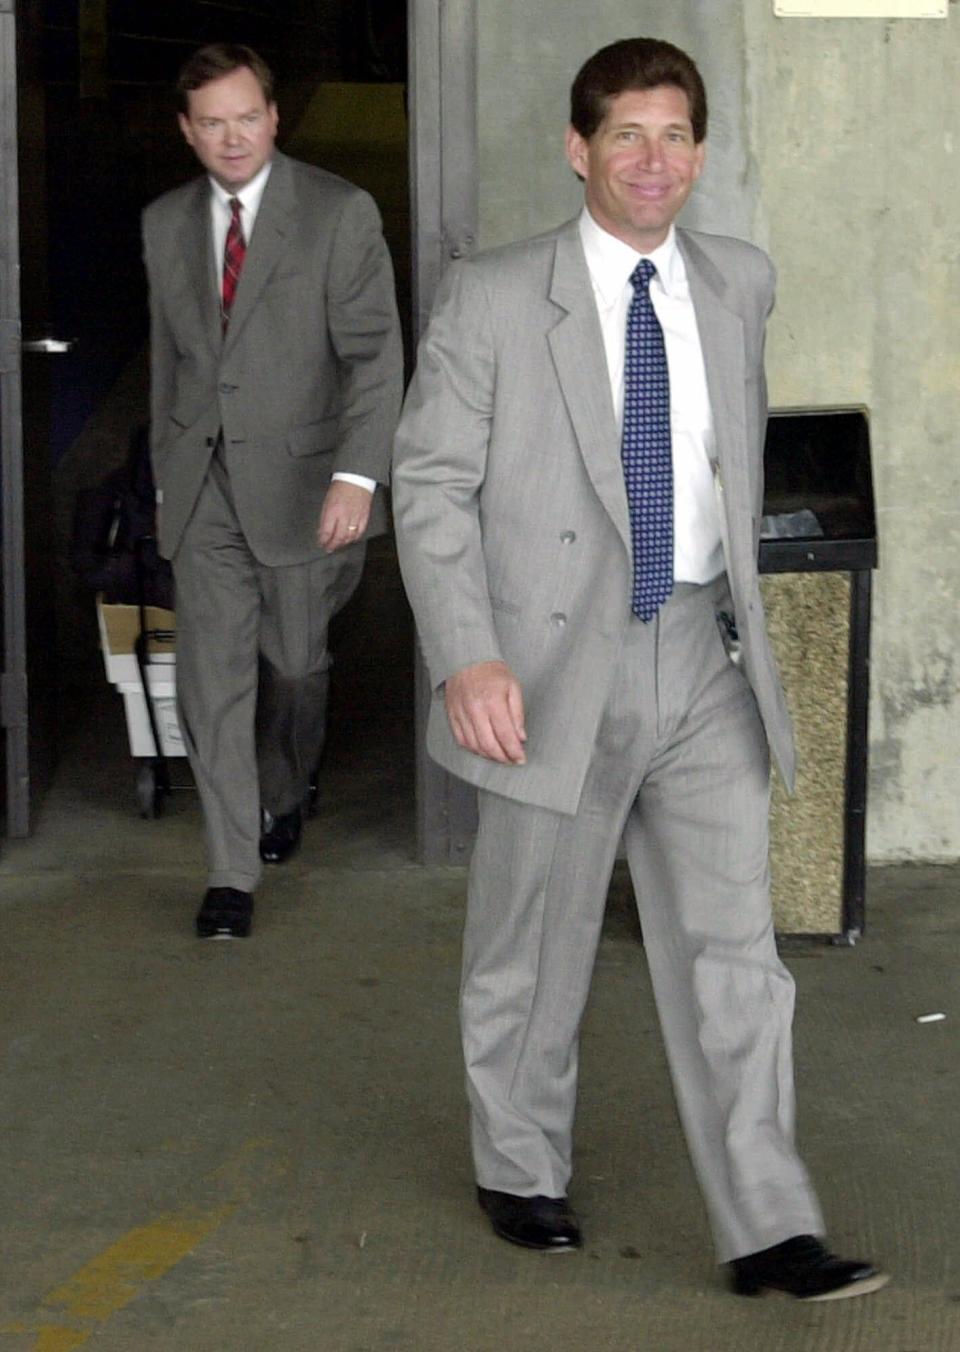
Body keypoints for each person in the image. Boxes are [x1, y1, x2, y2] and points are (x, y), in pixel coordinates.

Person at [392, 37, 888, 1300]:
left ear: (702, 153)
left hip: (705, 652)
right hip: (550, 662)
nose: (654, 160)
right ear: (579, 148)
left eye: (675, 135)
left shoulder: (739, 281)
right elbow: (435, 487)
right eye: (628, 135)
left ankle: (770, 1220)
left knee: (737, 951)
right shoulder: (498, 295)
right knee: (534, 940)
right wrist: (469, 655)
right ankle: (519, 1161)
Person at [143, 43, 402, 938]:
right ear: (187, 130)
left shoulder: (337, 212)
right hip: (203, 484)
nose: (231, 137)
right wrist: (167, 483)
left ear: (275, 116)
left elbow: (374, 356)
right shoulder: (163, 224)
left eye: (245, 116)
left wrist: (357, 475)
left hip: (305, 484)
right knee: (208, 682)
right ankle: (229, 872)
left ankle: (288, 785)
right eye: (210, 122)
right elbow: (170, 366)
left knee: (294, 664)